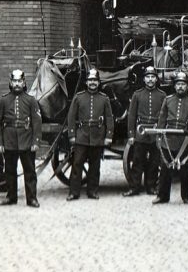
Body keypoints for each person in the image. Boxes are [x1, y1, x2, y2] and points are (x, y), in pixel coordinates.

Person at [0, 69, 43, 207]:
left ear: (24, 83)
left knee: (30, 171)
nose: (17, 84)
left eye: (19, 81)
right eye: (14, 81)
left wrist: (36, 142)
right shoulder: (3, 100)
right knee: (9, 171)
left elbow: (37, 123)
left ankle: (32, 198)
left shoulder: (31, 100)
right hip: (9, 141)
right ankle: (11, 197)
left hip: (27, 141)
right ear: (10, 82)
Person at [66, 66, 114, 201]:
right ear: (86, 82)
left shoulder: (104, 98)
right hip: (82, 135)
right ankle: (74, 192)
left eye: (95, 80)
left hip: (98, 136)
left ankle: (92, 191)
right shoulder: (78, 97)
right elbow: (71, 117)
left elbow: (109, 118)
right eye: (90, 80)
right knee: (77, 165)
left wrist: (108, 136)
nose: (92, 83)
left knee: (95, 165)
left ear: (99, 83)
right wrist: (72, 135)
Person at [154, 70, 188, 204]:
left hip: (184, 140)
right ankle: (162, 196)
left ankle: (186, 196)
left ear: (187, 87)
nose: (180, 87)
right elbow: (162, 119)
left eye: (183, 84)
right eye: (178, 84)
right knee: (165, 169)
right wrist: (159, 137)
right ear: (174, 86)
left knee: (185, 170)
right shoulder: (168, 100)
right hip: (169, 139)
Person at [124, 65, 164, 197]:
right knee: (137, 161)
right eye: (148, 77)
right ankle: (134, 187)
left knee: (154, 161)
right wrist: (131, 135)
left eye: (153, 77)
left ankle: (151, 187)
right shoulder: (137, 94)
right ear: (144, 79)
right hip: (140, 132)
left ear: (156, 79)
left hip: (155, 132)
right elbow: (131, 115)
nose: (150, 80)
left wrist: (161, 132)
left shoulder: (162, 95)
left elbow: (164, 115)